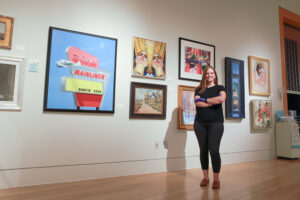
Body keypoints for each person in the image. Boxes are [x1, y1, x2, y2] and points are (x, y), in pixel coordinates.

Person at [193, 66, 226, 189]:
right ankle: (205, 177)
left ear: (215, 75)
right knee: (203, 150)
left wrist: (205, 100)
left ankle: (216, 179)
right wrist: (211, 102)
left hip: (216, 123)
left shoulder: (220, 88)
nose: (209, 75)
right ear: (204, 75)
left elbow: (221, 99)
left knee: (214, 150)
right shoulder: (199, 89)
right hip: (199, 124)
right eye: (207, 73)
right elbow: (197, 102)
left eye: (212, 73)